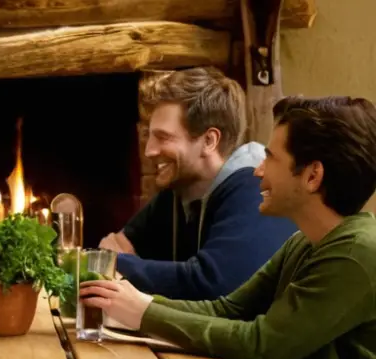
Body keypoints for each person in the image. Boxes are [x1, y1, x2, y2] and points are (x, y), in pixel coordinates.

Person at [81, 95, 376, 359]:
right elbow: (227, 309)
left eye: (271, 157)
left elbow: (260, 344)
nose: (257, 170)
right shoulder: (304, 242)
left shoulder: (355, 254)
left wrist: (144, 313)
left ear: (312, 175)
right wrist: (130, 305)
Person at [99, 67, 297, 300]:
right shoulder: (179, 192)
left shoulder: (256, 187)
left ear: (209, 141)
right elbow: (113, 245)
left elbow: (212, 284)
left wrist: (117, 264)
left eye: (163, 137)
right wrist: (118, 262)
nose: (149, 150)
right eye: (148, 136)